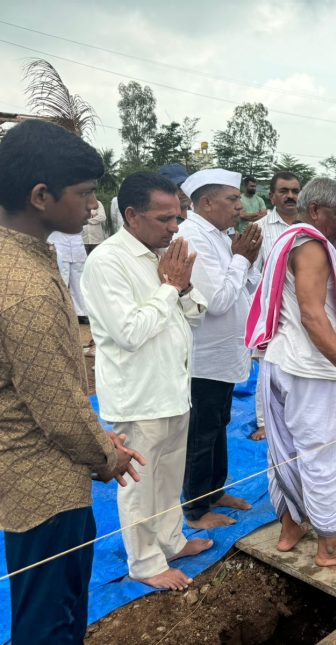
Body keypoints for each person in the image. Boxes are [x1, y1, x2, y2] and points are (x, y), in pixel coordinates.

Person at [0, 119, 144, 644]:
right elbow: (57, 405)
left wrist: (98, 436)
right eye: (84, 194)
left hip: (18, 474)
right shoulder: (28, 288)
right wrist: (108, 454)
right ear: (41, 195)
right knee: (52, 624)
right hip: (47, 491)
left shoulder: (16, 260)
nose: (91, 206)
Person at [81, 172, 213, 591]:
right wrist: (169, 288)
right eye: (165, 218)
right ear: (133, 215)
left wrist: (183, 288)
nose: (175, 227)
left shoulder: (163, 256)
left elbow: (193, 315)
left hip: (173, 390)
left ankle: (171, 541)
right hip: (138, 397)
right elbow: (129, 332)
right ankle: (144, 562)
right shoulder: (107, 261)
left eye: (178, 216)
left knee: (169, 478)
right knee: (140, 486)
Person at [246, 177, 336, 565]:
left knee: (284, 452)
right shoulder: (312, 247)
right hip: (311, 372)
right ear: (316, 211)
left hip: (278, 363)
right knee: (324, 456)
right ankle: (331, 546)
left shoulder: (286, 239)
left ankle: (290, 527)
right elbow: (313, 318)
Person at [178, 169, 262, 529]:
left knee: (219, 423)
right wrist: (241, 258)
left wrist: (243, 259)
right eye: (232, 199)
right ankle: (196, 509)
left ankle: (215, 491)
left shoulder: (218, 234)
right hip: (204, 358)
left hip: (224, 353)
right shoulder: (191, 237)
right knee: (202, 432)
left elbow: (241, 285)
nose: (239, 206)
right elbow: (218, 301)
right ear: (207, 203)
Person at [249, 171, 303, 442]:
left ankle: (297, 417)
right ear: (271, 196)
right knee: (268, 369)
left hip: (303, 311)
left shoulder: (306, 227)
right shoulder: (260, 229)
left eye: (295, 190)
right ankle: (265, 422)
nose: (290, 196)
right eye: (284, 191)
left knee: (298, 364)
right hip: (271, 311)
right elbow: (252, 273)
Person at [47, 228, 88, 322]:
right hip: (60, 247)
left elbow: (84, 229)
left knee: (79, 283)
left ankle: (80, 313)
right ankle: (60, 312)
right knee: (62, 282)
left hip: (77, 247)